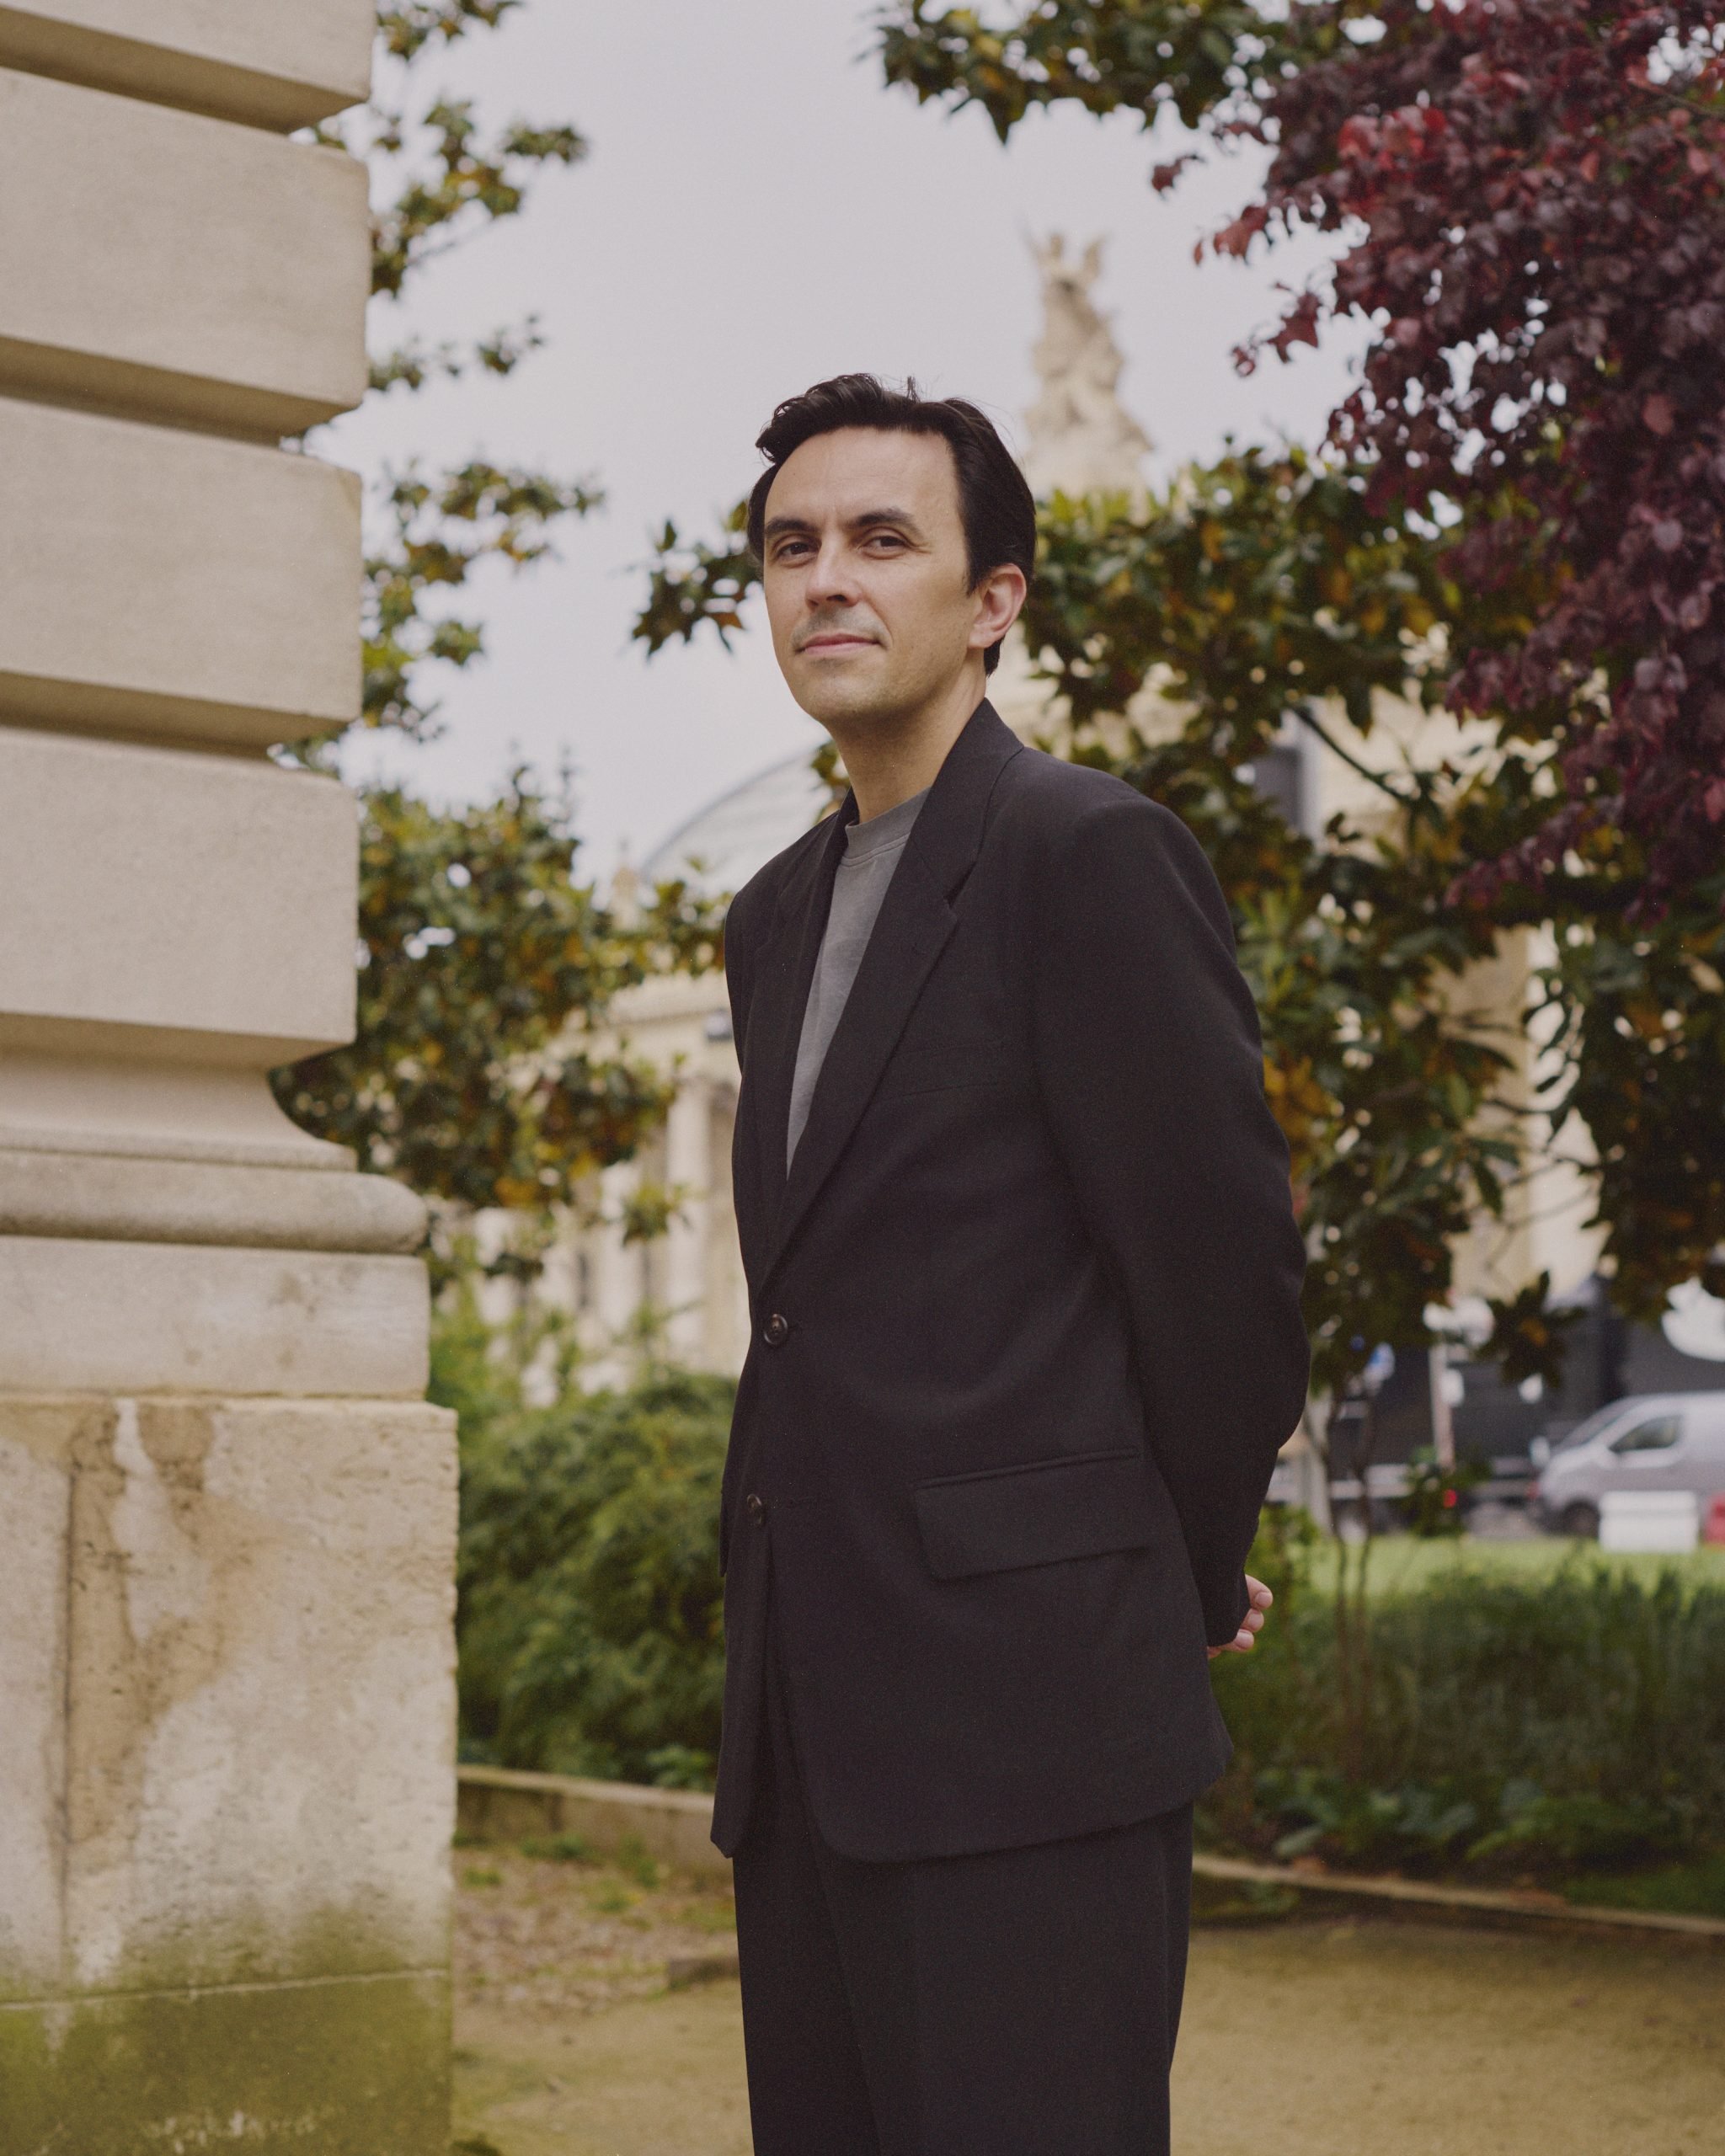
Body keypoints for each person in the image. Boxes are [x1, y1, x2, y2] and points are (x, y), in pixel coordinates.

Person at [714, 374, 1309, 2156]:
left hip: (1034, 1714)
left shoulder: (1088, 852)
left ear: (992, 601)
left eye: (883, 540)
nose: (828, 579)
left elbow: (1219, 1278)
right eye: (791, 544)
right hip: (809, 1723)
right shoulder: (769, 913)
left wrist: (1182, 1567)